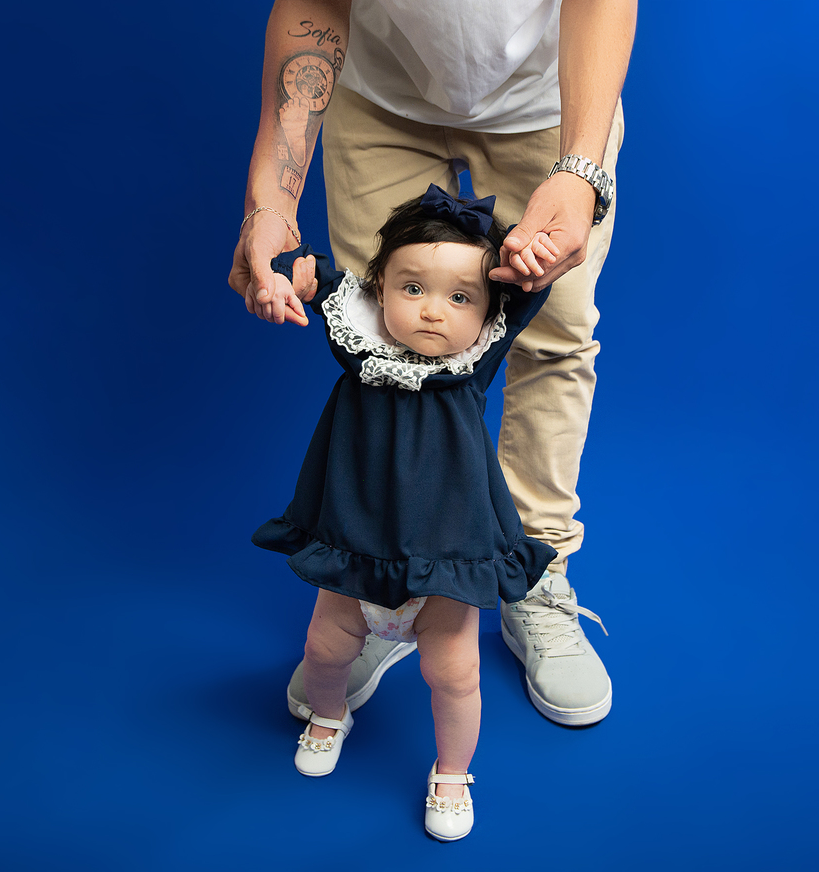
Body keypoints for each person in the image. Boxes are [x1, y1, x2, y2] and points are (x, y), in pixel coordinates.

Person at [229, 0, 636, 727]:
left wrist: (580, 170)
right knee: (381, 339)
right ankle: (383, 585)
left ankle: (534, 574)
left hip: (549, 101)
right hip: (381, 97)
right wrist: (271, 199)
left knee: (555, 335)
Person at [254, 186, 561, 840]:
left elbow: (528, 292)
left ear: (488, 314)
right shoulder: (358, 347)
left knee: (454, 674)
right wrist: (292, 277)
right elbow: (314, 279)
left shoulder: (471, 365)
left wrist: (530, 260)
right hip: (356, 549)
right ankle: (329, 717)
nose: (430, 310)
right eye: (412, 288)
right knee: (323, 651)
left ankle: (452, 772)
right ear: (380, 290)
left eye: (460, 298)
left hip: (446, 561)